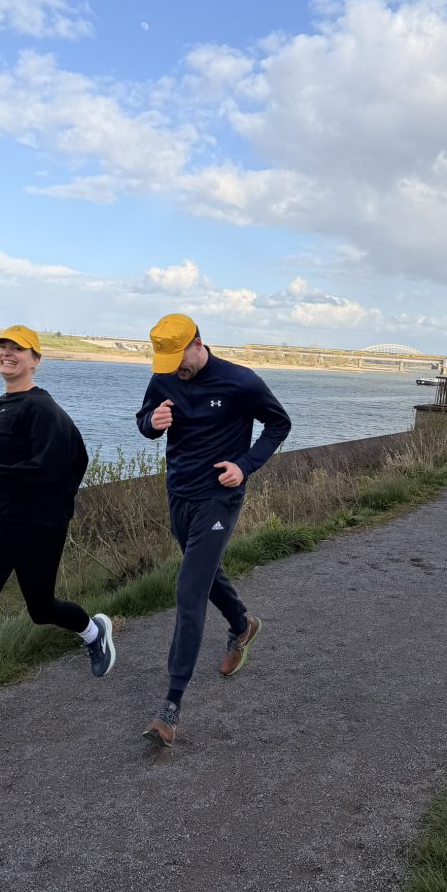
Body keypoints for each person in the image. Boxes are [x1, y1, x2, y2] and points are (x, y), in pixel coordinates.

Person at [0, 325, 115, 751]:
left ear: (36, 360)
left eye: (17, 348)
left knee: (41, 609)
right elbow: (10, 466)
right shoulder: (0, 405)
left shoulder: (44, 409)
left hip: (38, 527)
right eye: (2, 347)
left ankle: (94, 632)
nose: (6, 353)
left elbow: (51, 468)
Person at [136, 313, 291, 748]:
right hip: (179, 495)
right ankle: (242, 624)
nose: (176, 370)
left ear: (198, 344)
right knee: (201, 572)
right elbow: (144, 419)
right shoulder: (165, 377)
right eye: (167, 363)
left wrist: (245, 466)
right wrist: (151, 423)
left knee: (189, 590)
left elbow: (279, 424)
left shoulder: (241, 381)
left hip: (219, 498)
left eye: (180, 360)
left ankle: (170, 708)